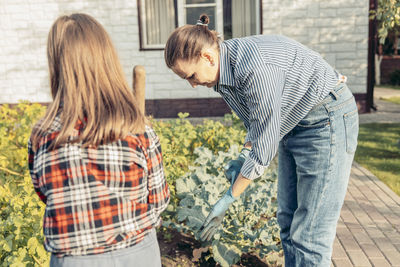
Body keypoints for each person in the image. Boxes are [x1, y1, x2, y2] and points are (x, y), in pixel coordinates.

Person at [164, 14, 359, 266]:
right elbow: (257, 123)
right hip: (293, 123)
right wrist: (244, 154)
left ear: (207, 57)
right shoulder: (224, 72)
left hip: (325, 120)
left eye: (190, 76)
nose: (191, 84)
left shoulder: (254, 69)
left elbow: (265, 147)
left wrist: (228, 199)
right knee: (287, 223)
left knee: (310, 235)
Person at [28, 13, 169, 267]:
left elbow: (46, 194)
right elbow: (159, 200)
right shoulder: (137, 128)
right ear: (106, 59)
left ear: (56, 64)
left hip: (74, 259)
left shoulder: (44, 135)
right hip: (139, 253)